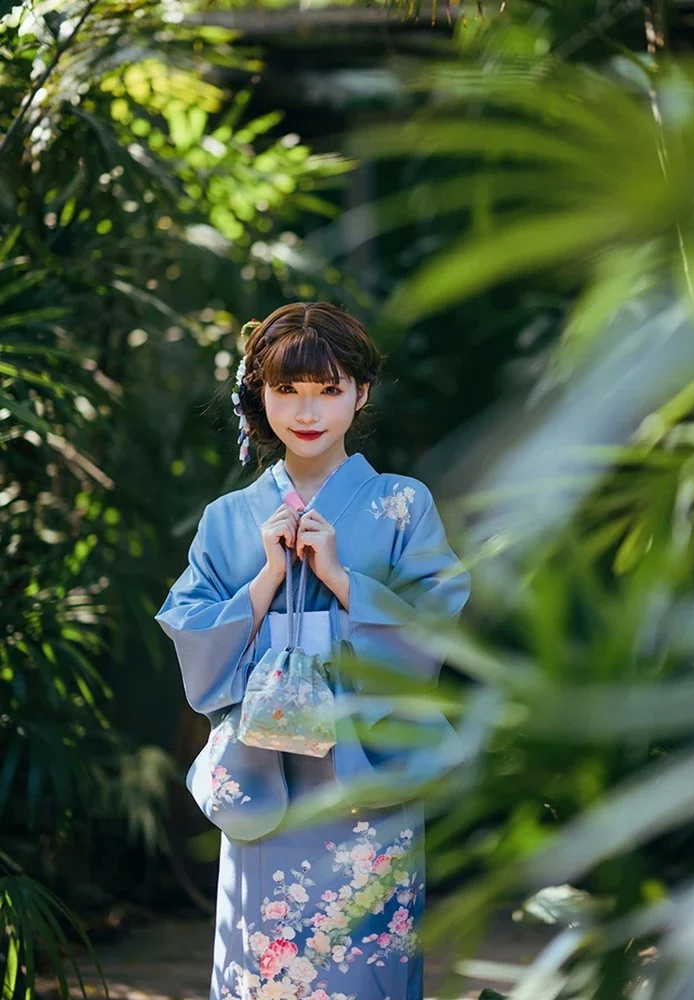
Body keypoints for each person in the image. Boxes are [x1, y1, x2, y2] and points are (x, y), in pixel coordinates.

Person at [155, 302, 472, 1000]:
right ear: (257, 394)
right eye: (287, 389)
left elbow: (438, 618)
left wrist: (340, 579)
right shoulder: (230, 518)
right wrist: (266, 579)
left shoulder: (401, 504)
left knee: (369, 961)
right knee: (261, 966)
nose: (307, 409)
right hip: (266, 769)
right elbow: (188, 623)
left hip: (366, 766)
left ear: (361, 394)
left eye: (328, 389)